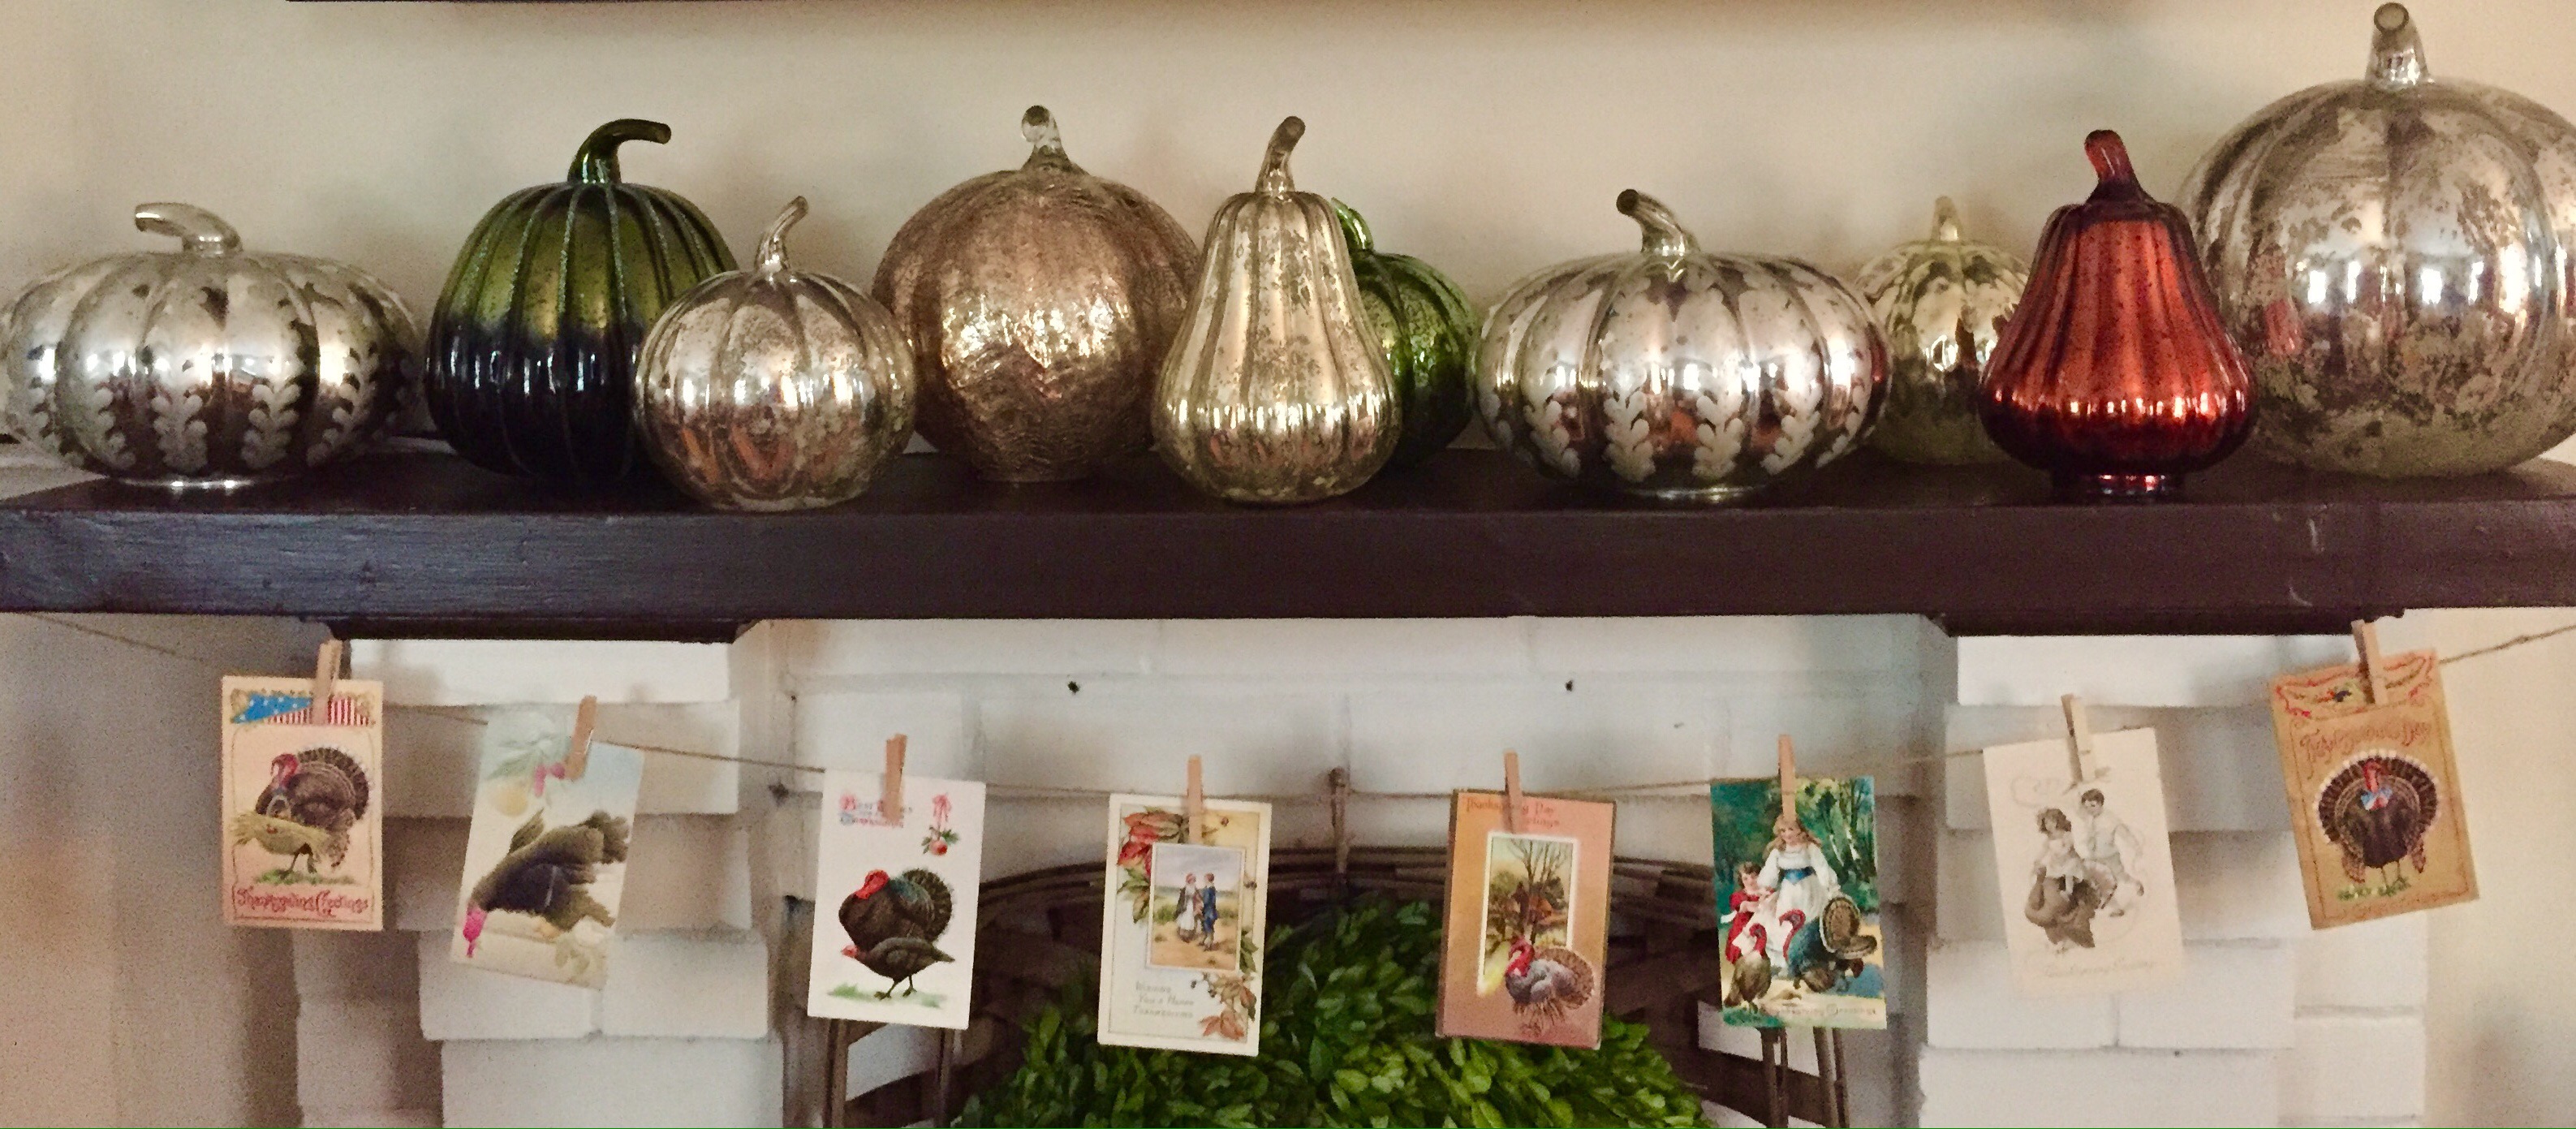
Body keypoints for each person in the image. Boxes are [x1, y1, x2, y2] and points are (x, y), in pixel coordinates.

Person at [1755, 814, 1838, 960]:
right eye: (1783, 831)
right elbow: (1770, 871)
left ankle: (1812, 954)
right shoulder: (1778, 851)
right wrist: (1765, 887)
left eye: (1791, 829)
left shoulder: (1809, 847)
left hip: (1809, 889)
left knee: (1810, 921)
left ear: (1800, 829)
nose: (1787, 834)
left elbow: (1822, 868)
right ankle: (1790, 956)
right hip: (1789, 891)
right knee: (1787, 922)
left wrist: (1830, 886)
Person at [2025, 808, 2099, 950]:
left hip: (2069, 860)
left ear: (2058, 821)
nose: (2050, 825)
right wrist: (2037, 860)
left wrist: (2062, 853)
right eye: (2047, 823)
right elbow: (2044, 851)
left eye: (2052, 821)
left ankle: (2069, 890)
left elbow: (2069, 848)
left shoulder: (2066, 834)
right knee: (2050, 877)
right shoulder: (2049, 839)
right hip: (2056, 864)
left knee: (2069, 871)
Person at [2076, 789, 2144, 916]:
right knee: (2101, 882)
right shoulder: (2089, 818)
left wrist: (2136, 847)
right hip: (2095, 857)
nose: (2090, 810)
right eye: (2087, 807)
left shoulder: (2110, 819)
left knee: (2120, 876)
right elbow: (2078, 809)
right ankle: (2116, 908)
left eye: (2093, 806)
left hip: (2110, 856)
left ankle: (2136, 884)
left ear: (2101, 803)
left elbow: (2125, 834)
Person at [1198, 873, 1223, 950]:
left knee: (1208, 926)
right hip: (1206, 910)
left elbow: (1207, 901)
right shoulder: (1207, 888)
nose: (1204, 880)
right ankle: (1203, 941)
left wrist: (1201, 904)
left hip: (1209, 911)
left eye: (1205, 879)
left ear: (1208, 880)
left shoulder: (1210, 889)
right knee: (1204, 926)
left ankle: (1208, 945)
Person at [1175, 871, 1201, 942]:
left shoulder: (1195, 888)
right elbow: (1182, 898)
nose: (1193, 881)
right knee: (1184, 919)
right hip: (1186, 906)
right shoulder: (1185, 888)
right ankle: (1182, 934)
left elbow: (1198, 897)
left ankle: (1187, 935)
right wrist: (1182, 906)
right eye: (1192, 880)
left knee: (1190, 920)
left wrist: (1198, 903)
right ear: (1189, 880)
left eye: (1194, 880)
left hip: (1192, 906)